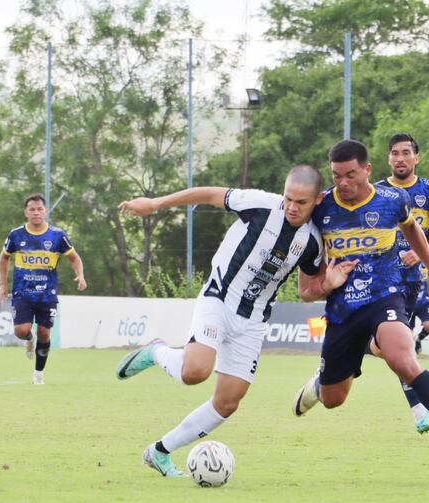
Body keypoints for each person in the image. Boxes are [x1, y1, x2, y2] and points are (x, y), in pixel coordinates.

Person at [115, 165, 356, 478]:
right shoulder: (260, 204)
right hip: (219, 298)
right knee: (195, 372)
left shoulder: (312, 242)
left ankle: (159, 452)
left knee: (227, 402)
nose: (292, 207)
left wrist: (327, 285)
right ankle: (156, 352)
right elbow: (210, 194)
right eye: (289, 199)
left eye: (301, 202)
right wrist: (156, 203)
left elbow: (305, 292)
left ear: (318, 200)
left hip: (254, 320)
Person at [293, 139, 429, 461]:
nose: (343, 183)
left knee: (404, 360)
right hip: (342, 310)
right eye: (336, 176)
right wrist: (326, 284)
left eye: (350, 175)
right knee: (332, 399)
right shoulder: (321, 207)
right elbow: (305, 289)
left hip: (386, 296)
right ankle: (322, 382)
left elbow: (413, 231)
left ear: (367, 170)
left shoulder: (393, 199)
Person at [373, 133, 429, 434]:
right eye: (395, 153)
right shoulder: (376, 192)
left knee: (390, 349)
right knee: (394, 347)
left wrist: (420, 253)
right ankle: (419, 411)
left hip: (410, 282)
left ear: (416, 158)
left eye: (406, 153)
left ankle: (344, 355)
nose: (400, 158)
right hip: (378, 280)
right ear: (388, 158)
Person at [0, 193, 87, 384]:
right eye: (32, 209)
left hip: (47, 294)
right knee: (21, 331)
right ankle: (29, 339)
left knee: (45, 333)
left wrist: (80, 275)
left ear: (45, 211)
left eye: (39, 209)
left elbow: (74, 258)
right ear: (26, 212)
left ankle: (38, 373)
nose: (36, 212)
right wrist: (3, 285)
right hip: (23, 292)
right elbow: (4, 257)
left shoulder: (57, 235)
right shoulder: (16, 235)